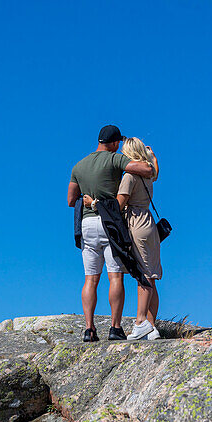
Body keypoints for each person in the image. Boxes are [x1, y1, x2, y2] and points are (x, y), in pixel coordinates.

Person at [67, 125, 155, 342]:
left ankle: (89, 329)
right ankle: (115, 328)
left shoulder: (78, 166)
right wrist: (149, 159)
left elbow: (70, 200)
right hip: (109, 222)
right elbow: (146, 171)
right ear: (115, 143)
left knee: (90, 279)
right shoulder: (115, 160)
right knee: (115, 276)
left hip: (87, 224)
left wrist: (87, 198)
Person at [118, 137, 162, 340]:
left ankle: (140, 322)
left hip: (135, 222)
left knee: (143, 274)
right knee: (151, 275)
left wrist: (96, 203)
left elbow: (120, 203)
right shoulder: (148, 173)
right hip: (150, 223)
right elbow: (156, 172)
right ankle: (151, 326)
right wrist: (152, 157)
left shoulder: (130, 175)